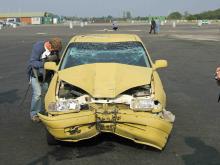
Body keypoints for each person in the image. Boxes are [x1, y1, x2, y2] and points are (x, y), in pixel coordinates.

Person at [27, 38, 62, 122]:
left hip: (47, 75)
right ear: (49, 45)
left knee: (48, 92)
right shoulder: (38, 47)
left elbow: (57, 60)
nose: (55, 52)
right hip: (36, 74)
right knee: (38, 94)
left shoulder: (55, 48)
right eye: (53, 50)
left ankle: (49, 110)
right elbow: (32, 62)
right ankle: (34, 114)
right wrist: (45, 63)